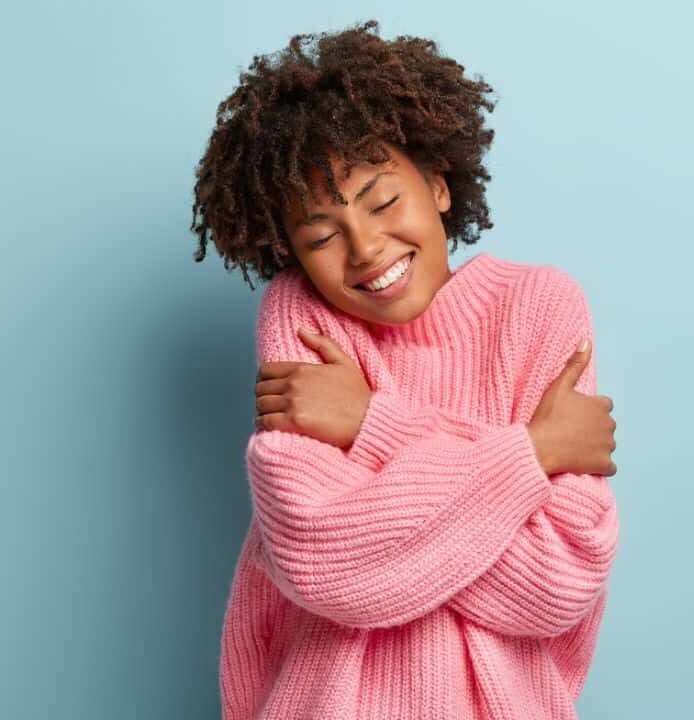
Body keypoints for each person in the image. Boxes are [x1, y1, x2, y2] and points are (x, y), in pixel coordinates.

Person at [191, 19, 619, 720]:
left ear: (439, 186)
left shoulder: (540, 307)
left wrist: (370, 425)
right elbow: (322, 558)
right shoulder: (302, 317)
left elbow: (557, 579)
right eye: (322, 235)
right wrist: (532, 454)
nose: (364, 249)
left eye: (384, 201)